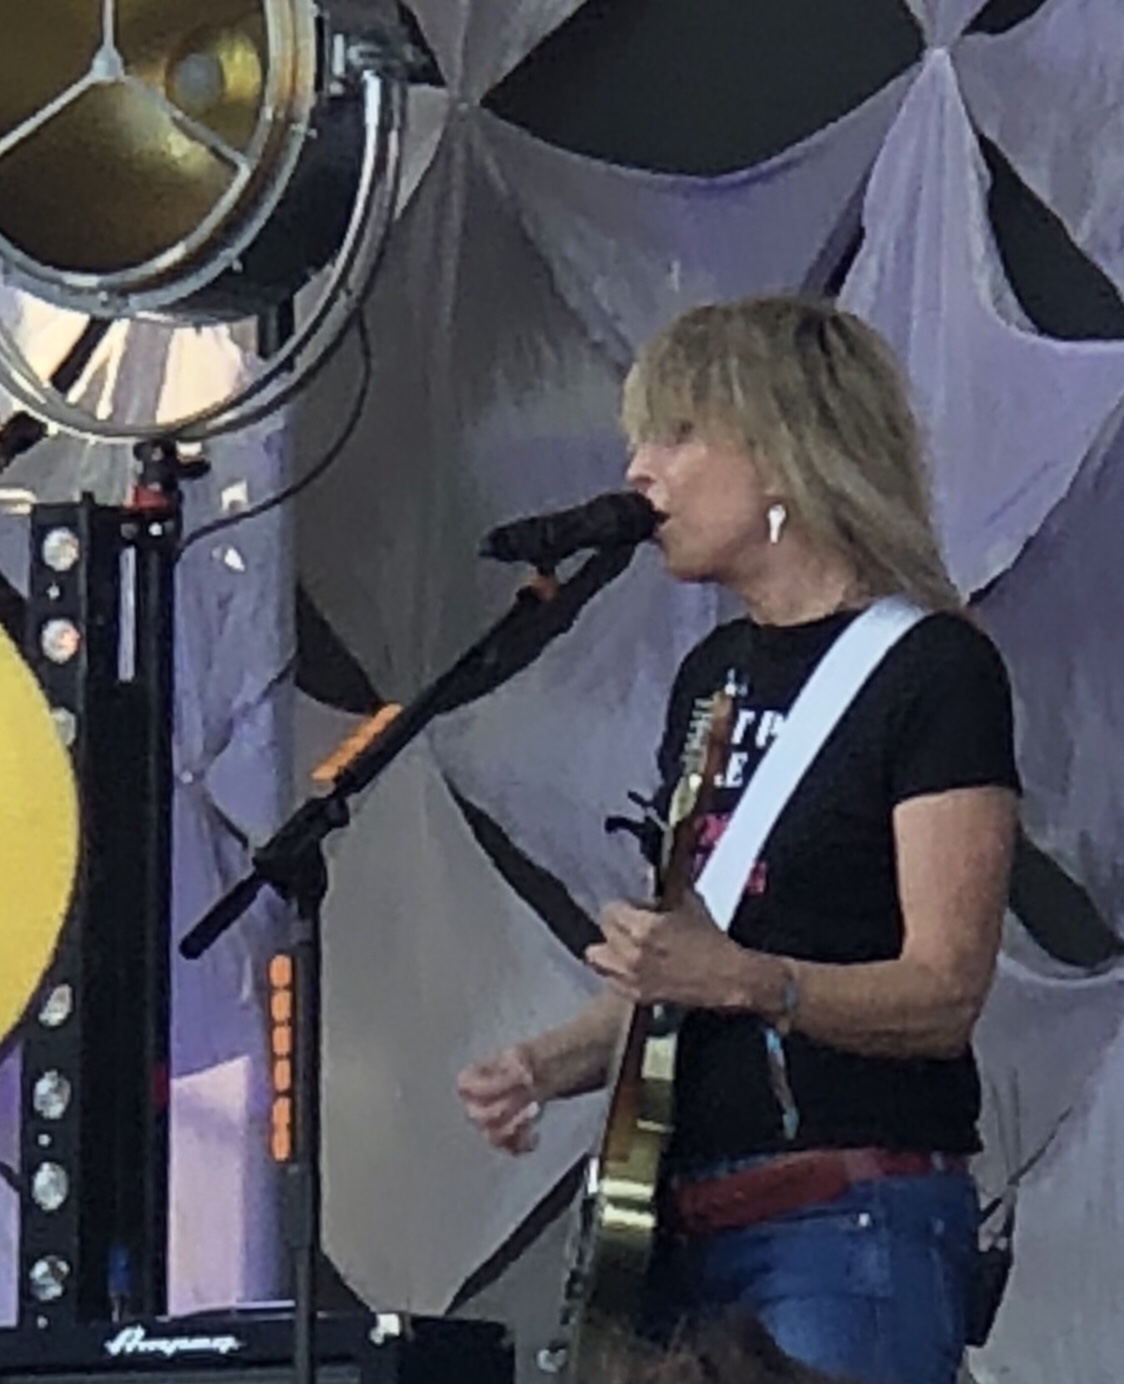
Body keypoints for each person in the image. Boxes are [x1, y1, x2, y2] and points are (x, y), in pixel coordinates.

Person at [457, 296, 1019, 1384]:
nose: (639, 470)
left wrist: (744, 979)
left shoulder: (933, 671)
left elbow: (945, 989)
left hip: (845, 1221)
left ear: (782, 454)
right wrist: (545, 1064)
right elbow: (688, 969)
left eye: (675, 434)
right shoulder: (710, 678)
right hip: (676, 1232)